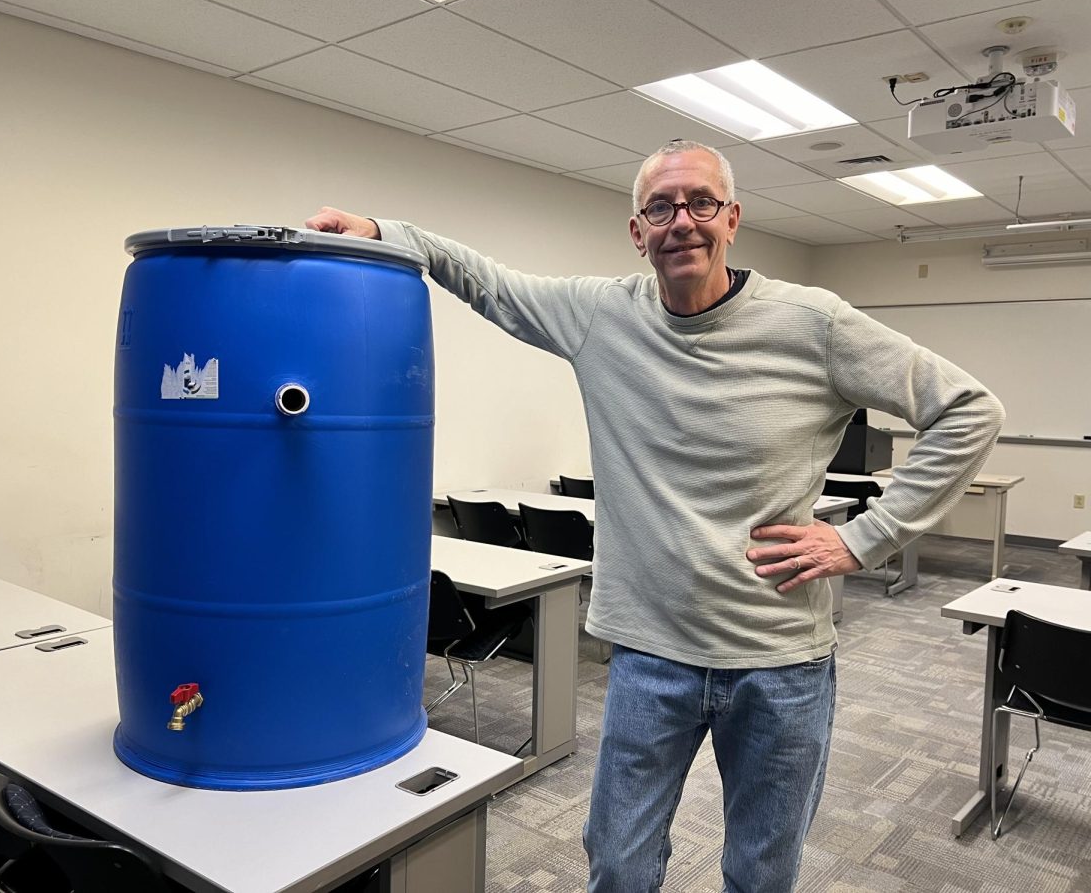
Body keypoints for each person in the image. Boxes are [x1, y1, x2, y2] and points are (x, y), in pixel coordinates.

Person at [305, 140, 1004, 893]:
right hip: (650, 658)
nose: (683, 222)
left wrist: (864, 537)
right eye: (661, 207)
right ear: (638, 232)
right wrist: (384, 232)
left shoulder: (815, 324)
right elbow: (491, 284)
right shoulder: (601, 316)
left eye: (702, 202)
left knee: (760, 874)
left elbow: (968, 410)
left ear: (732, 218)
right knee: (618, 863)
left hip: (779, 665)